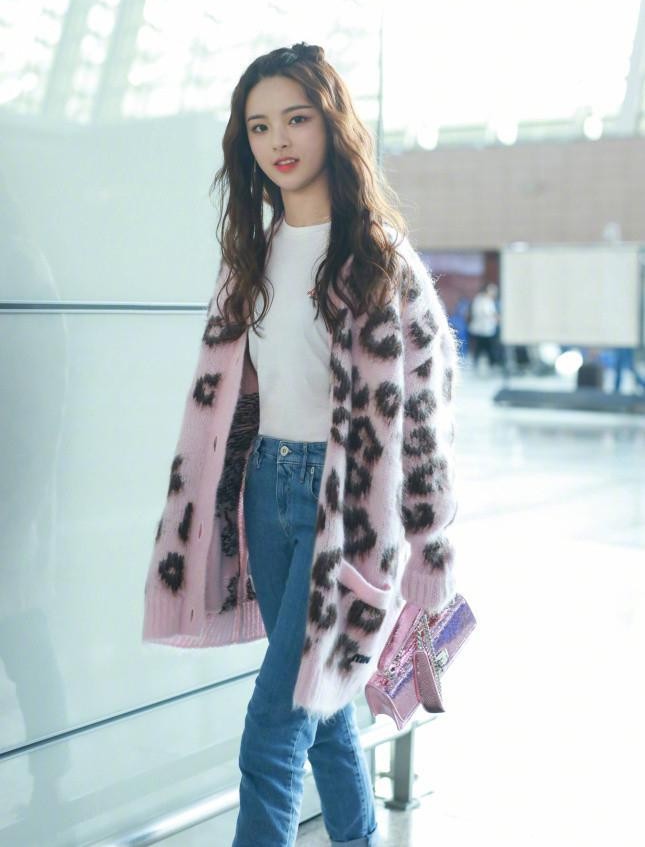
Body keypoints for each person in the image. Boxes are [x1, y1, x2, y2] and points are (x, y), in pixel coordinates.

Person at [141, 42, 460, 847]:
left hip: (346, 510)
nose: (277, 140)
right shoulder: (249, 257)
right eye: (258, 126)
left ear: (331, 124)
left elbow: (425, 419)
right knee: (321, 714)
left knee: (273, 724)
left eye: (295, 118)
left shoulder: (380, 260)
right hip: (267, 489)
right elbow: (225, 399)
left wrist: (429, 545)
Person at [467, 282, 499, 372]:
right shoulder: (480, 299)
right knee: (483, 348)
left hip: (487, 329)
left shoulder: (489, 300)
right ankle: (481, 364)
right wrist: (494, 317)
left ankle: (490, 363)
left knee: (485, 348)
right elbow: (484, 313)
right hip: (481, 329)